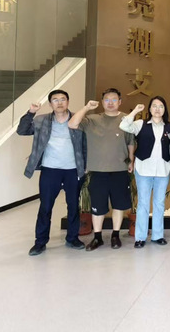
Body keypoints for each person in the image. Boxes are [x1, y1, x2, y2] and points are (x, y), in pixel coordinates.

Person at [17, 89, 87, 256]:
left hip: (73, 170)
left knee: (73, 206)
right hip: (50, 170)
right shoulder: (41, 120)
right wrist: (31, 112)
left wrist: (86, 165)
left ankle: (72, 238)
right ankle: (40, 242)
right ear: (50, 104)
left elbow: (87, 142)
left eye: (63, 99)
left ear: (68, 102)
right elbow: (22, 130)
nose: (59, 102)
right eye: (55, 100)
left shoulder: (79, 120)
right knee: (46, 206)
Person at [68, 88, 135, 251]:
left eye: (114, 99)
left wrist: (131, 160)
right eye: (107, 99)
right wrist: (86, 108)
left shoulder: (126, 119)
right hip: (97, 171)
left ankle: (115, 235)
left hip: (120, 169)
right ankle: (97, 237)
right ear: (102, 102)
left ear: (120, 102)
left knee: (118, 205)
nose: (110, 103)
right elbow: (72, 124)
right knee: (97, 206)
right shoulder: (92, 119)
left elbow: (130, 142)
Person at [119, 97, 170, 248]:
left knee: (159, 204)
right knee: (143, 204)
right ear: (150, 109)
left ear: (165, 109)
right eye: (154, 106)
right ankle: (140, 237)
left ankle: (158, 235)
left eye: (161, 106)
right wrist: (135, 111)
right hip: (144, 169)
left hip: (163, 170)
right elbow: (124, 125)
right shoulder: (141, 124)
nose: (157, 109)